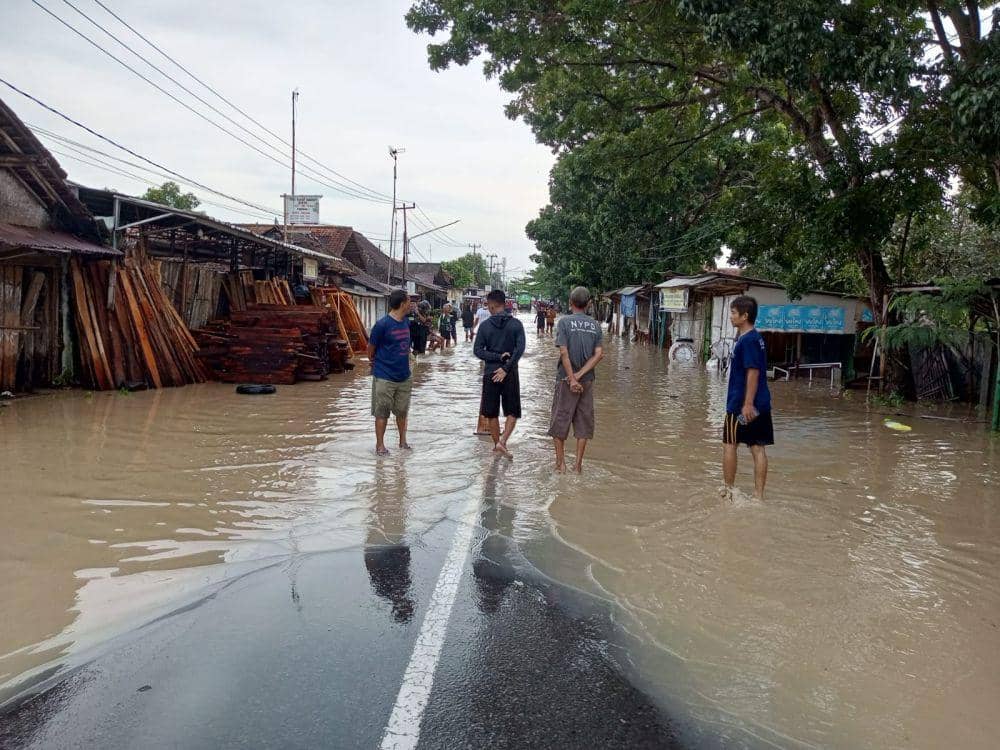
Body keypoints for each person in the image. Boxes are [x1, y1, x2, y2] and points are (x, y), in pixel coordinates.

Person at [548, 287, 604, 473]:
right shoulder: (595, 325)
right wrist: (580, 376)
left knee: (560, 420)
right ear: (588, 304)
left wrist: (572, 378)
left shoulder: (564, 322)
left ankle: (560, 464)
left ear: (570, 303)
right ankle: (578, 465)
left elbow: (563, 352)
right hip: (587, 381)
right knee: (584, 422)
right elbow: (599, 355)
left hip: (565, 380)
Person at [722, 295, 773, 499]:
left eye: (734, 313)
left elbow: (753, 372)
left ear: (745, 316)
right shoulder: (756, 339)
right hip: (760, 404)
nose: (731, 317)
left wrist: (747, 404)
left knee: (729, 443)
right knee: (756, 447)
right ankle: (759, 497)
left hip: (742, 406)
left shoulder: (748, 341)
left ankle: (729, 490)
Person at [474, 289, 526, 458]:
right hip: (510, 372)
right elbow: (520, 350)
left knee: (491, 412)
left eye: (488, 305)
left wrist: (496, 357)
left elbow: (478, 351)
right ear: (505, 304)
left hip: (491, 372)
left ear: (491, 305)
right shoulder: (516, 324)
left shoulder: (485, 326)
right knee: (512, 411)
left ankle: (498, 444)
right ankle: (503, 441)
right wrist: (506, 367)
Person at [368, 289, 413, 456]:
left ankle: (403, 442)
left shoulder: (406, 322)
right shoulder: (382, 325)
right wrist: (377, 365)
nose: (411, 304)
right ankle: (380, 446)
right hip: (384, 376)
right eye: (409, 301)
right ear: (402, 304)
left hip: (404, 376)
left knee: (402, 411)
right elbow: (370, 350)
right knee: (382, 412)